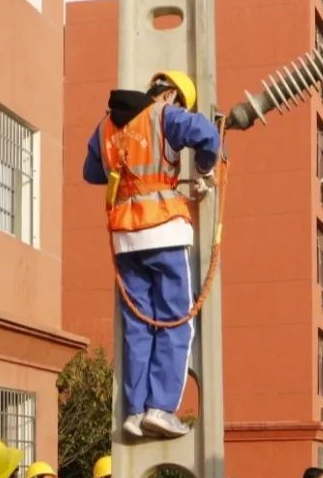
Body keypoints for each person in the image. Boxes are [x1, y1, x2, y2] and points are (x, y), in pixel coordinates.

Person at [83, 70, 221, 439]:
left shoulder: (107, 126)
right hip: (163, 227)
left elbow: (91, 172)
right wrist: (204, 167)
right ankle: (160, 409)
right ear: (173, 95)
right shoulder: (165, 115)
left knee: (138, 326)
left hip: (125, 238)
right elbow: (208, 134)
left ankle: (134, 411)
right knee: (176, 320)